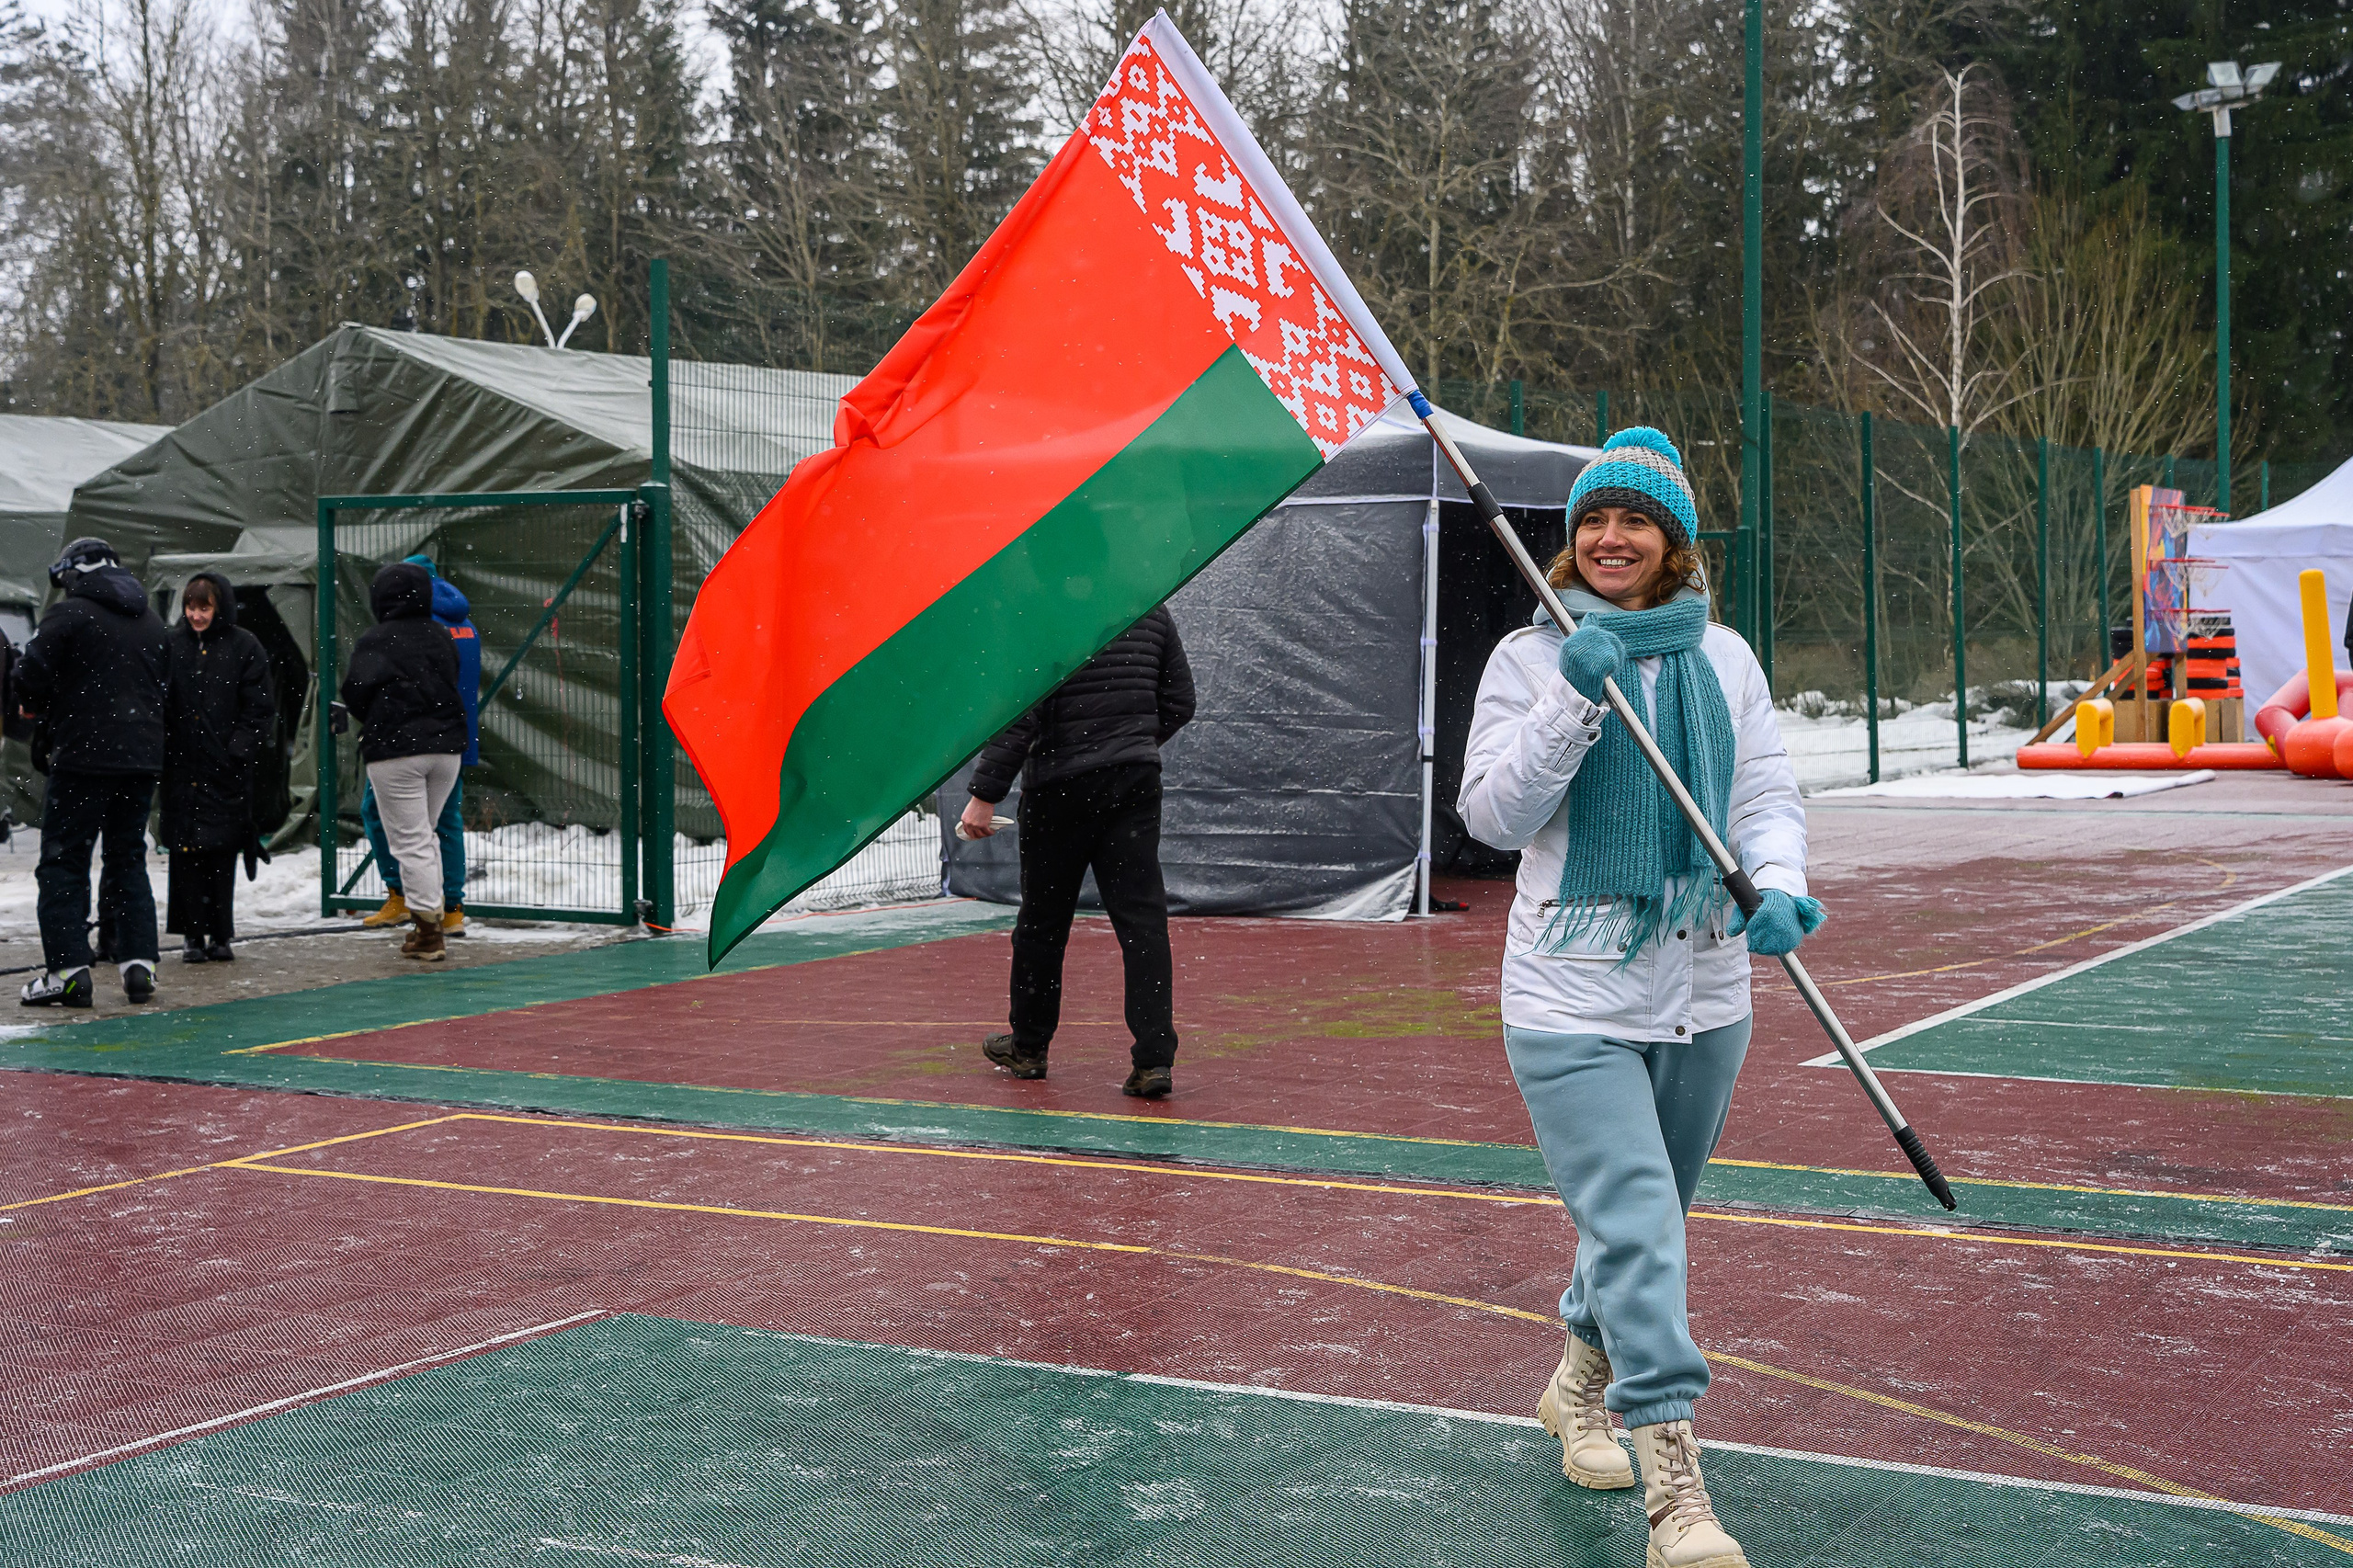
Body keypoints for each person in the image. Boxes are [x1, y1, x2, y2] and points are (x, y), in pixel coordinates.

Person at [1459, 427, 1813, 1568]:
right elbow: (1491, 818)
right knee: (1638, 1228)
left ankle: (1574, 1382)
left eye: (1636, 522)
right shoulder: (1530, 656)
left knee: (1642, 1225)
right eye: (1594, 521)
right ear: (1572, 539)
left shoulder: (1727, 660)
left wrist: (1781, 884)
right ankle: (1676, 1491)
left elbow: (1762, 793)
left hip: (1707, 986)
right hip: (1569, 995)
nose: (1611, 539)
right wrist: (1572, 702)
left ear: (1673, 542)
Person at [961, 607, 1193, 1098]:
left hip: (1060, 790)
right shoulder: (1153, 611)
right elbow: (1179, 702)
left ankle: (1028, 1048)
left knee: (1043, 925)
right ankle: (1153, 1060)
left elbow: (1022, 713)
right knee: (1143, 924)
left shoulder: (1047, 618)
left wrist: (984, 795)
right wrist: (1127, 744)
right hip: (1134, 782)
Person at [15, 537, 171, 1008]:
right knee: (127, 857)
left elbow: (28, 679)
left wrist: (39, 701)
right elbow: (166, 685)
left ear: (72, 573)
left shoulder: (69, 615)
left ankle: (67, 972)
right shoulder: (150, 621)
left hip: (83, 755)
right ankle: (139, 965)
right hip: (141, 756)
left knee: (64, 860)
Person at [339, 562, 467, 961]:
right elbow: (453, 676)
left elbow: (355, 693)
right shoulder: (441, 635)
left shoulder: (375, 640)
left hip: (396, 751)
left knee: (411, 843)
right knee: (425, 837)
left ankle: (430, 932)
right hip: (447, 749)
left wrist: (381, 716)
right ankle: (433, 921)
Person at [160, 573, 276, 962]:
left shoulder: (244, 646)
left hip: (224, 767)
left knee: (221, 849)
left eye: (204, 607)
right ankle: (192, 934)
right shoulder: (172, 645)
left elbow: (259, 705)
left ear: (219, 607)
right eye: (191, 607)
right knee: (185, 850)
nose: (195, 615)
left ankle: (220, 933)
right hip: (181, 765)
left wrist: (238, 748)